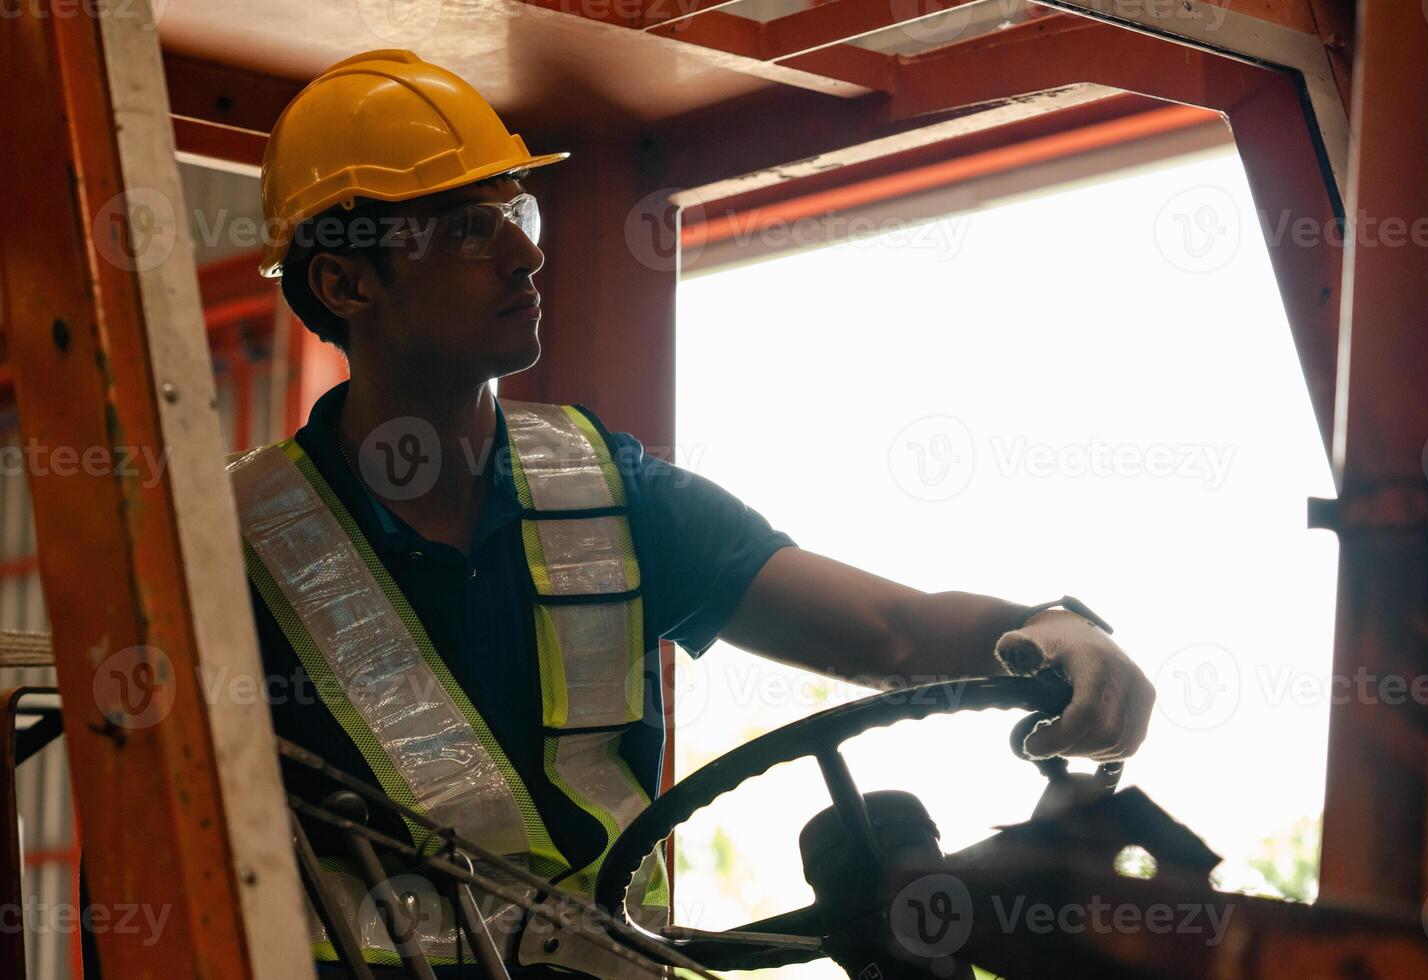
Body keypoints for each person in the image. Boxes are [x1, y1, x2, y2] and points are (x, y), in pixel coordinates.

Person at [231, 48, 1155, 977]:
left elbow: (893, 633)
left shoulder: (607, 491)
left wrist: (1051, 628)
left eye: (519, 213)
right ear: (348, 286)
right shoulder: (223, 544)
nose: (527, 252)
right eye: (473, 229)